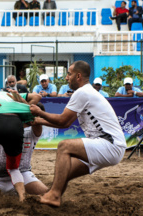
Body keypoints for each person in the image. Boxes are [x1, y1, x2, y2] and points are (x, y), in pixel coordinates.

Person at [29, 60, 127, 207]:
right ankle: (52, 200)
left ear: (78, 76)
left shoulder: (83, 92)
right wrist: (40, 121)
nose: (66, 77)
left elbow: (62, 121)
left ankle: (53, 195)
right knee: (64, 172)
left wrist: (40, 112)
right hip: (110, 145)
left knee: (64, 146)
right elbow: (67, 123)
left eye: (69, 74)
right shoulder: (86, 92)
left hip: (109, 145)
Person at [0, 102, 48, 195]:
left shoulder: (33, 131)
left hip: (23, 175)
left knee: (48, 196)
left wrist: (37, 113)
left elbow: (37, 122)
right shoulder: (5, 126)